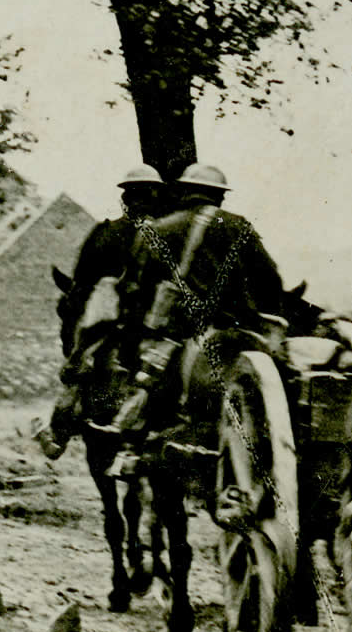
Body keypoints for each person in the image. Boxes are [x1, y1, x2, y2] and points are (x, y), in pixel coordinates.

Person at [113, 162, 290, 440]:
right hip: (240, 333)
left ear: (184, 193)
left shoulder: (160, 229)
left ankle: (129, 442)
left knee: (145, 396)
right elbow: (270, 282)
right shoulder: (238, 225)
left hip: (177, 339)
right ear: (220, 197)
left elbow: (136, 291)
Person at [35, 165, 173, 460]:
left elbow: (82, 288)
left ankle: (58, 434)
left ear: (125, 199)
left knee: (78, 367)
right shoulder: (173, 234)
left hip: (117, 324)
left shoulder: (106, 233)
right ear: (158, 197)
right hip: (166, 326)